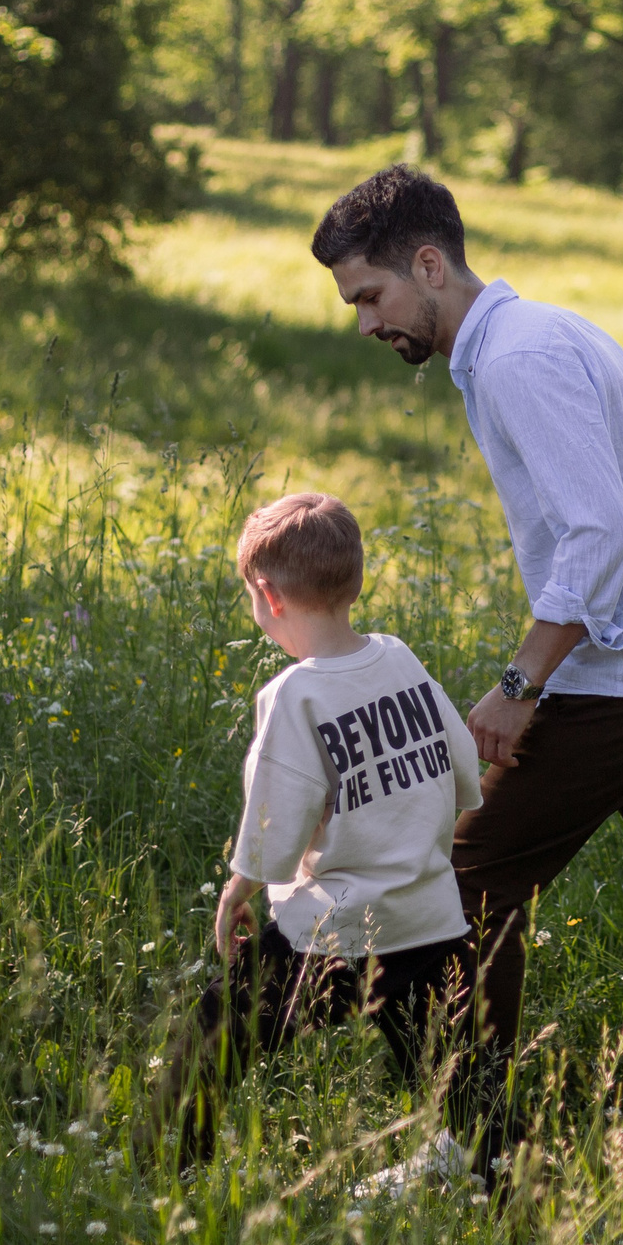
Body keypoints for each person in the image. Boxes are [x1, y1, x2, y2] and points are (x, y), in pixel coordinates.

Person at [311, 165, 623, 1159]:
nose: (364, 322)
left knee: (460, 887)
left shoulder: (517, 359)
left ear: (428, 262)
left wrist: (520, 685)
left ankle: (476, 1152)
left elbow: (598, 535)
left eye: (370, 295)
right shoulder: (544, 333)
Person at [145, 490, 495, 1189]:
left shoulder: (295, 695)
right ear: (353, 579)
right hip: (430, 921)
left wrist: (241, 886)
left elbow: (276, 818)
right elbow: (462, 772)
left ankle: (164, 1178)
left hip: (329, 935)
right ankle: (501, 1180)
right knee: (462, 1077)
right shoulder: (401, 660)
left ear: (268, 596)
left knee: (214, 1038)